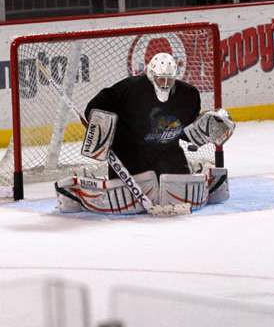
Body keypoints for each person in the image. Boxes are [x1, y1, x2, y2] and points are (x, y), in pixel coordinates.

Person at [55, 52, 235, 215]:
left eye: (168, 80)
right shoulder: (130, 89)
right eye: (159, 79)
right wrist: (97, 123)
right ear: (150, 76)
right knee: (125, 196)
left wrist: (204, 129)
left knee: (180, 187)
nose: (164, 84)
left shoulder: (189, 94)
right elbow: (96, 106)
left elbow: (185, 131)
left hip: (167, 152)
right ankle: (79, 192)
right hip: (130, 153)